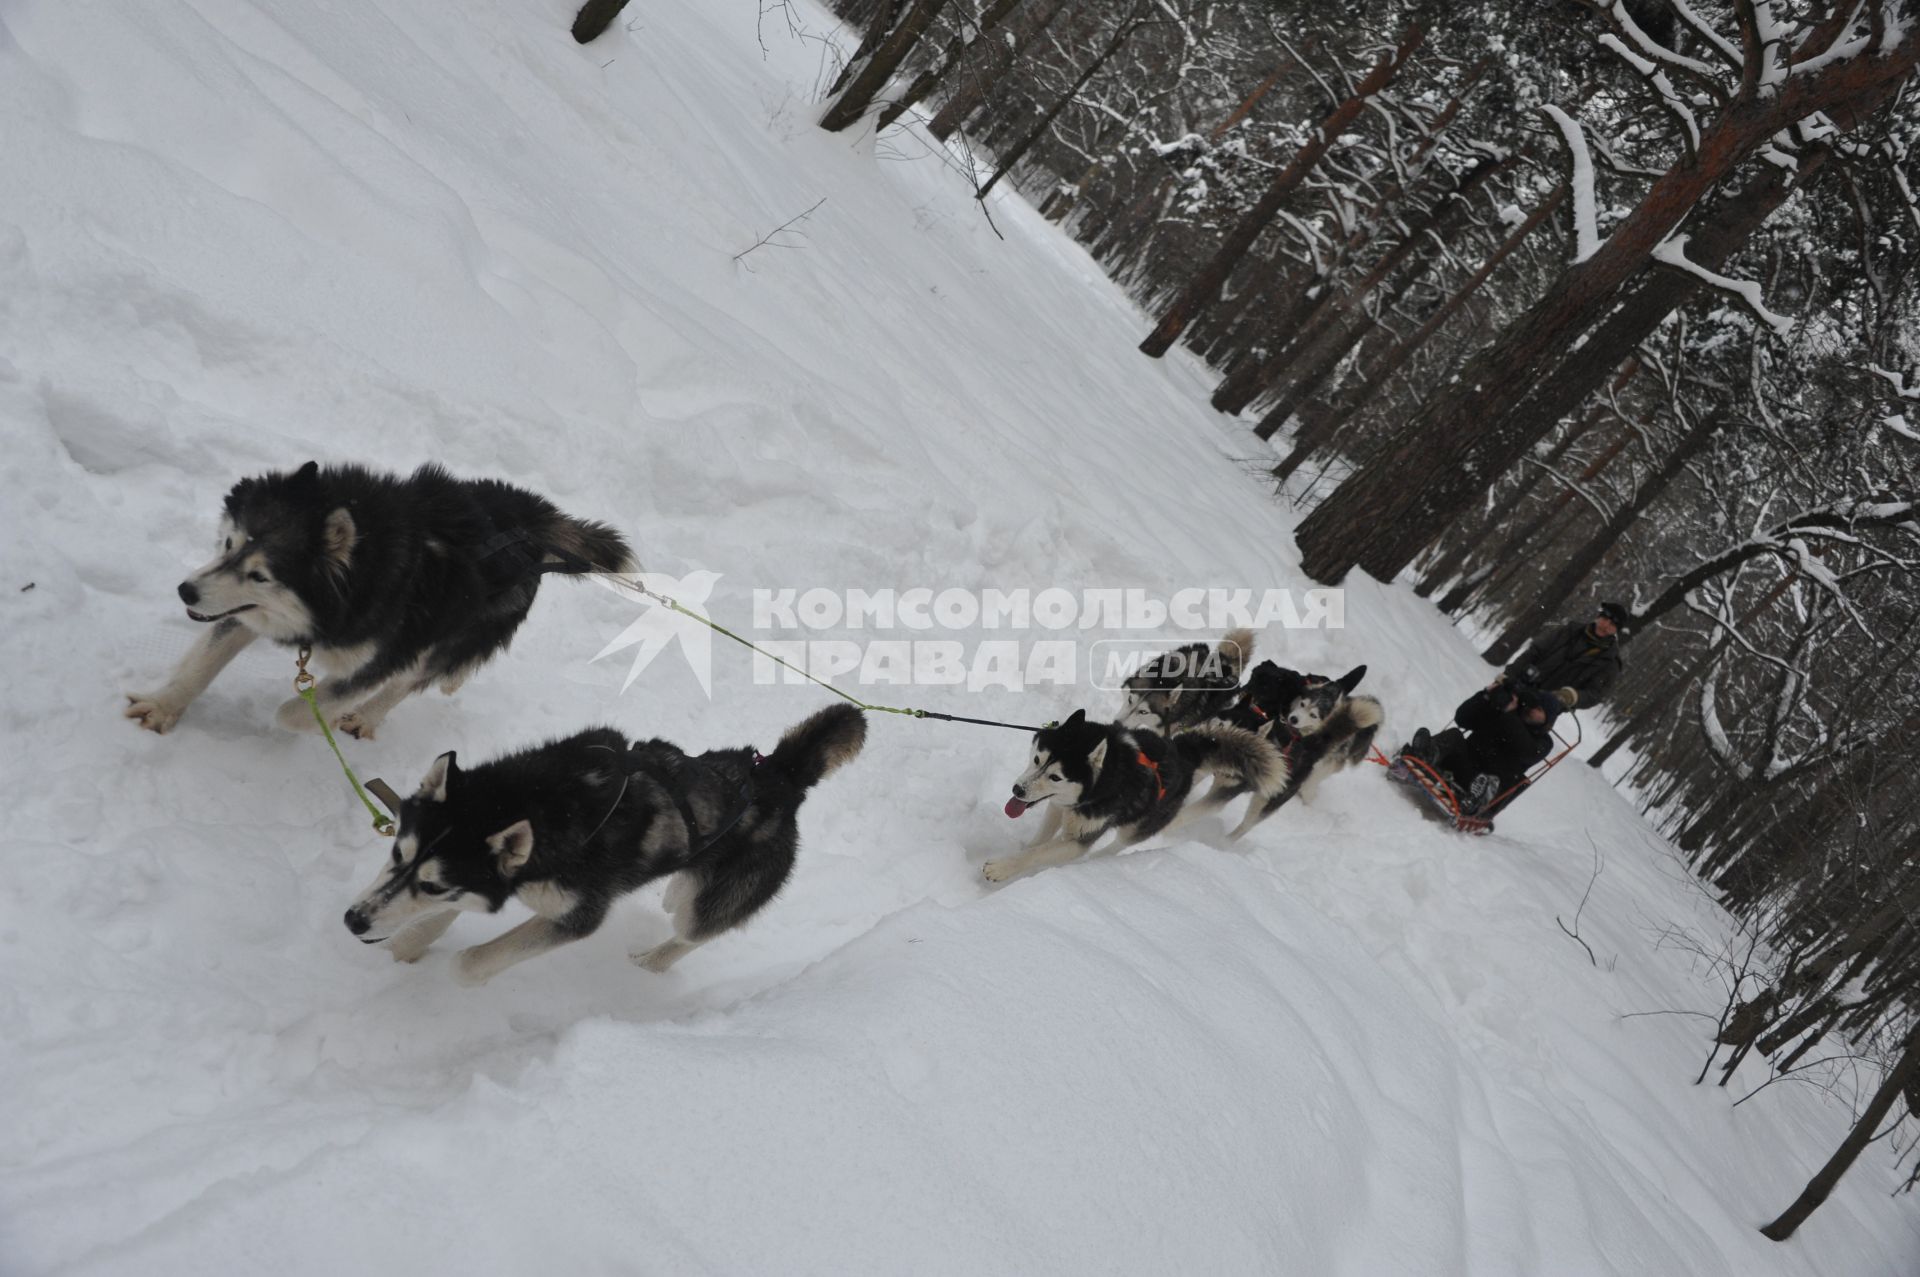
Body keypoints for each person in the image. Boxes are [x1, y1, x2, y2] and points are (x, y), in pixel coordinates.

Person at [1402, 684, 1575, 815]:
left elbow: (1526, 751)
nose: (1532, 710)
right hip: (1464, 761)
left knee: (1489, 782)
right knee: (1455, 734)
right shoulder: (1505, 712)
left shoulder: (1544, 742)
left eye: (1539, 710)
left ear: (1548, 719)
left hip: (1484, 781)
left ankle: (1474, 802)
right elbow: (1462, 718)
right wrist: (1486, 696)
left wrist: (1509, 714)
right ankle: (1425, 754)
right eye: (1534, 705)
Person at [1502, 601, 1628, 707]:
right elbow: (1534, 652)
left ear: (1616, 630)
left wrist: (1571, 696)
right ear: (1598, 617)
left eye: (1612, 624)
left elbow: (1594, 694)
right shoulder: (1569, 631)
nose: (1605, 625)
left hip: (1546, 708)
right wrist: (1508, 675)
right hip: (1520, 686)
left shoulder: (1610, 662)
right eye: (1605, 618)